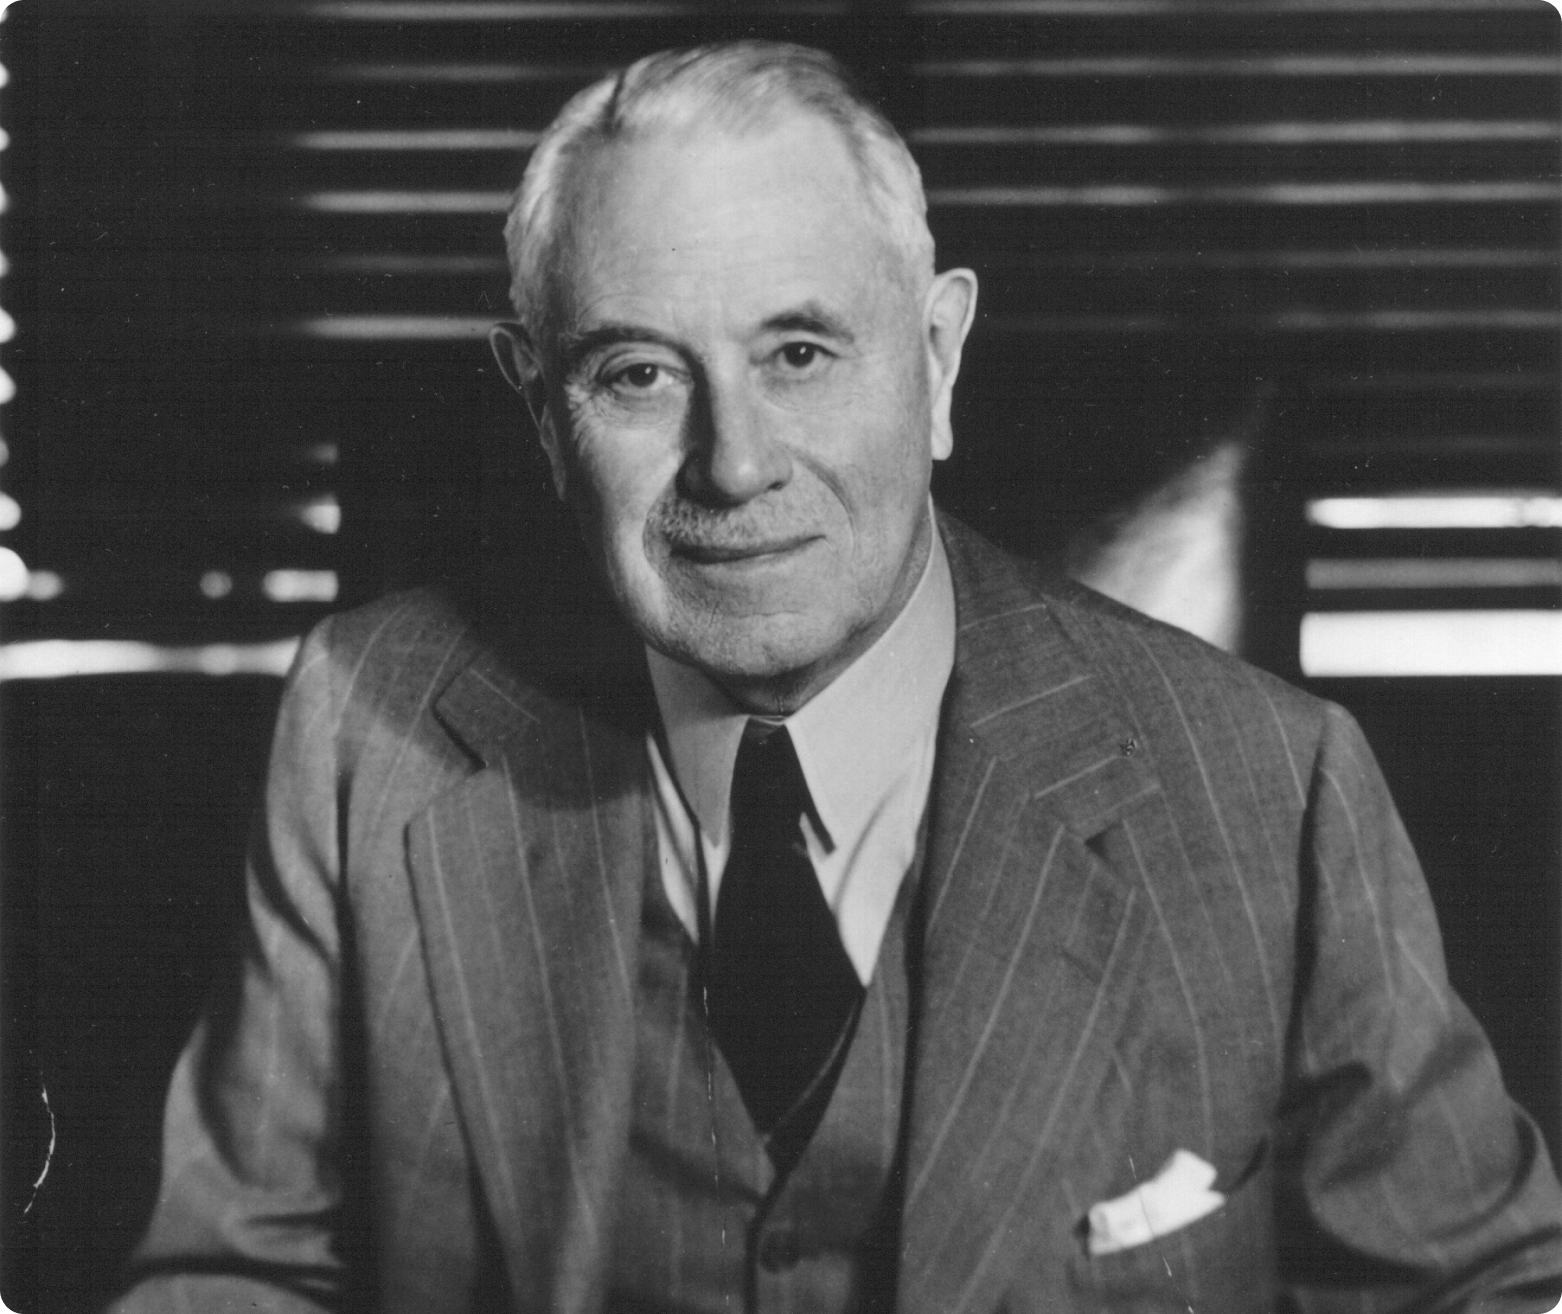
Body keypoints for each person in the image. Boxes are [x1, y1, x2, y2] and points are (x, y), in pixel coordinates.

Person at [111, 41, 1561, 1314]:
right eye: (636, 374)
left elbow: (1474, 1284)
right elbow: (240, 1269)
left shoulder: (1269, 785)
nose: (733, 463)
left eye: (799, 351)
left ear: (934, 362)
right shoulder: (365, 725)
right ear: (542, 414)